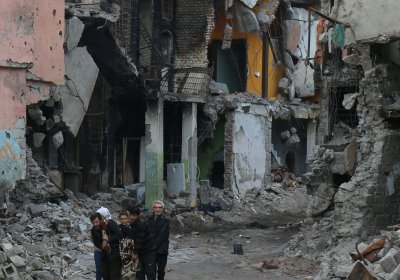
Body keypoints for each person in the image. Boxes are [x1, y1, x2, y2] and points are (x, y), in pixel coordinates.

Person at [128, 206, 156, 280]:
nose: (132, 217)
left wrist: (135, 253)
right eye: (131, 215)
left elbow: (140, 240)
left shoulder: (141, 224)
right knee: (139, 273)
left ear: (138, 216)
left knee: (150, 273)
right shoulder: (132, 224)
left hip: (148, 252)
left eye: (134, 215)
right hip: (140, 252)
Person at [97, 206, 123, 280]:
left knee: (114, 275)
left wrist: (109, 238)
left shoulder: (111, 223)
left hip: (114, 254)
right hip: (106, 255)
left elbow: (119, 234)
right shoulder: (102, 224)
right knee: (106, 274)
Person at [147, 201, 170, 280]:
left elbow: (161, 236)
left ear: (162, 209)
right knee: (151, 272)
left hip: (161, 250)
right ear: (153, 208)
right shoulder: (149, 219)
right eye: (156, 207)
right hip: (152, 250)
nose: (157, 209)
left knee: (161, 272)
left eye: (159, 208)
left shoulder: (165, 220)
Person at [119, 210, 137, 280]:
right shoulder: (117, 229)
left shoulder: (132, 228)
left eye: (125, 219)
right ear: (119, 220)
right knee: (122, 275)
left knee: (132, 274)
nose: (123, 221)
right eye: (122, 219)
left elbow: (137, 240)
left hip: (131, 255)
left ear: (128, 219)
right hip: (121, 255)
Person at [90, 212, 103, 280]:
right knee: (98, 269)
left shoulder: (105, 227)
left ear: (100, 220)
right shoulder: (93, 230)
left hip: (108, 251)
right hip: (98, 250)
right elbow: (96, 243)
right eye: (93, 222)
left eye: (96, 222)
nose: (95, 224)